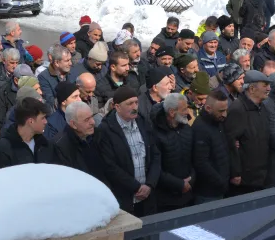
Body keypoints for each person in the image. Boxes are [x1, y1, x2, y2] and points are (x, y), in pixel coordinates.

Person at [96, 87, 161, 216]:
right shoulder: (106, 130)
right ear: (117, 107)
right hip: (124, 198)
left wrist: (150, 184)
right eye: (129, 104)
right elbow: (109, 166)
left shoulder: (143, 122)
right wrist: (136, 187)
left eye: (136, 102)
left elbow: (155, 154)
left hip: (148, 196)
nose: (135, 107)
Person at [225, 69, 271, 194]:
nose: (269, 89)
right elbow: (230, 143)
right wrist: (235, 173)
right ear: (252, 89)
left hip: (261, 175)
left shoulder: (262, 107)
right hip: (245, 180)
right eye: (265, 85)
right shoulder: (237, 109)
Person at [150, 93, 194, 211]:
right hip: (166, 200)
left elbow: (194, 158)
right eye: (184, 109)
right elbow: (155, 167)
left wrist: (192, 179)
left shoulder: (186, 129)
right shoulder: (155, 134)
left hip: (188, 193)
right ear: (171, 112)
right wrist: (179, 184)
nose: (187, 112)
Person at [191, 93, 233, 203]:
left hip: (219, 188)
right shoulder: (200, 129)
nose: (225, 114)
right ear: (208, 108)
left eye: (226, 110)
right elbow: (201, 163)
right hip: (208, 192)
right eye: (221, 111)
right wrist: (220, 182)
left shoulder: (218, 122)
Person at [0, 98, 53, 167]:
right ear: (31, 121)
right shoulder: (6, 147)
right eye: (42, 118)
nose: (46, 122)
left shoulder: (44, 143)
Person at [53, 101, 105, 177]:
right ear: (73, 124)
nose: (93, 122)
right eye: (87, 120)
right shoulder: (60, 147)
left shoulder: (98, 134)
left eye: (92, 117)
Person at [0, 48, 22, 126]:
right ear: (4, 61)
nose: (15, 66)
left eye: (17, 63)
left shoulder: (21, 73)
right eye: (12, 63)